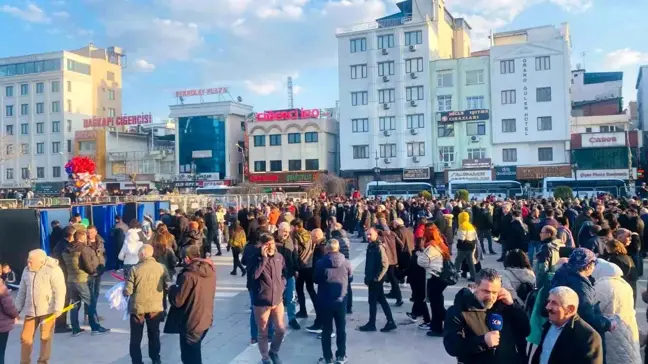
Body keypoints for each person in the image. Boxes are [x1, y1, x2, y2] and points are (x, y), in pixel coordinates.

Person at [443, 268, 531, 364]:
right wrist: (483, 341)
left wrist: (513, 305)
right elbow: (452, 347)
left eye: (494, 292)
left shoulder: (505, 306)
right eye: (486, 291)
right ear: (475, 287)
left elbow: (525, 331)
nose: (490, 296)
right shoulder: (459, 311)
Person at [15, 249, 66, 364]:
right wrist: (16, 309)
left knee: (45, 338)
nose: (28, 264)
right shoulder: (26, 270)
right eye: (28, 261)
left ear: (41, 262)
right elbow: (22, 291)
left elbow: (59, 290)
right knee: (25, 338)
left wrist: (58, 308)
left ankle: (43, 361)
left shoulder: (54, 270)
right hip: (30, 310)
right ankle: (24, 362)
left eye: (31, 262)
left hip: (47, 310)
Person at [168, 245, 216, 364]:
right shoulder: (210, 270)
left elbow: (178, 301)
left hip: (191, 320)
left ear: (187, 258)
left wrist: (171, 288)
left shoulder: (188, 275)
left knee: (189, 356)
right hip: (204, 317)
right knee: (194, 351)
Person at [531, 286, 603, 364]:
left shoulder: (588, 337)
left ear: (570, 309)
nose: (548, 307)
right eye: (549, 301)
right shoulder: (549, 324)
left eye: (554, 303)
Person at [124, 245, 170, 364]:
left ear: (143, 254)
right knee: (154, 334)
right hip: (155, 307)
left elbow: (128, 291)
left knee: (136, 336)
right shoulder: (162, 267)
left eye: (139, 253)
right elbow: (167, 285)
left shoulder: (134, 269)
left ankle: (136, 361)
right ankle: (155, 358)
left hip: (137, 308)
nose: (138, 255)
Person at [591, 259, 641, 364]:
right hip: (627, 328)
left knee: (616, 356)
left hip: (612, 332)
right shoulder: (624, 284)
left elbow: (594, 308)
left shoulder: (603, 285)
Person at [62, 231, 110, 336]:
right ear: (82, 237)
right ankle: (95, 327)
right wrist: (94, 273)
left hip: (70, 280)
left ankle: (75, 329)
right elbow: (87, 264)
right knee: (90, 302)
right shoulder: (83, 249)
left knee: (74, 304)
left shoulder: (66, 250)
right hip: (82, 279)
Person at [250, 233, 287, 364]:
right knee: (263, 332)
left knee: (280, 329)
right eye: (267, 244)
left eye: (272, 243)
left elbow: (283, 274)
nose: (271, 246)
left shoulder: (279, 257)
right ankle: (265, 358)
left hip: (277, 299)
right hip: (261, 301)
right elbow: (254, 276)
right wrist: (263, 259)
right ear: (261, 245)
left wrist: (282, 286)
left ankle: (274, 351)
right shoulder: (255, 258)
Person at [315, 239, 352, 364]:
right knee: (341, 329)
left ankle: (328, 357)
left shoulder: (320, 263)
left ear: (327, 249)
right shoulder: (346, 263)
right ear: (338, 249)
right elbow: (350, 278)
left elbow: (316, 279)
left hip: (325, 300)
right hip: (341, 300)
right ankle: (341, 355)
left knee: (326, 330)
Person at [358, 227, 396, 332]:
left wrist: (377, 278)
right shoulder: (371, 246)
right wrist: (367, 276)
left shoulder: (378, 247)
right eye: (367, 234)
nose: (368, 236)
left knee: (373, 301)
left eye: (370, 234)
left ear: (376, 234)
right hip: (372, 278)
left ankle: (372, 323)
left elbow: (385, 264)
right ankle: (390, 321)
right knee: (381, 300)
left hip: (376, 280)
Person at [274, 222, 300, 330]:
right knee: (276, 298)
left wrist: (296, 269)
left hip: (289, 273)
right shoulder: (272, 240)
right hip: (277, 275)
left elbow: (295, 255)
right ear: (278, 230)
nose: (285, 233)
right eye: (283, 231)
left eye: (287, 231)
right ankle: (276, 320)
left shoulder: (292, 240)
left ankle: (292, 318)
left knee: (291, 297)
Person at [292, 218, 317, 319]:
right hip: (310, 265)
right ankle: (318, 309)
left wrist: (295, 267)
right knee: (311, 289)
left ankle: (303, 311)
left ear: (296, 227)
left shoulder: (295, 236)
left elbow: (295, 251)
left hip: (300, 266)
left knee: (299, 289)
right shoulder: (310, 234)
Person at [86, 225, 106, 324]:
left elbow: (103, 255)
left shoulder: (101, 242)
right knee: (90, 295)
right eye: (88, 233)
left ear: (96, 232)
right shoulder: (85, 243)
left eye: (92, 232)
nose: (90, 235)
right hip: (89, 272)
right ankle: (92, 315)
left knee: (96, 293)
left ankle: (92, 313)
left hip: (99, 271)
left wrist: (103, 264)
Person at [454, 211, 478, 281]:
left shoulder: (462, 226)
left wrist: (456, 235)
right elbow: (475, 236)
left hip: (463, 247)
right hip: (470, 246)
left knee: (458, 261)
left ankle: (455, 275)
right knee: (470, 262)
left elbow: (461, 238)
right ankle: (474, 276)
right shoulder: (471, 225)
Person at [0, 278, 17, 364]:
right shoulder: (1, 288)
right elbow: (9, 307)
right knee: (0, 352)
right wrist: (16, 315)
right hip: (1, 327)